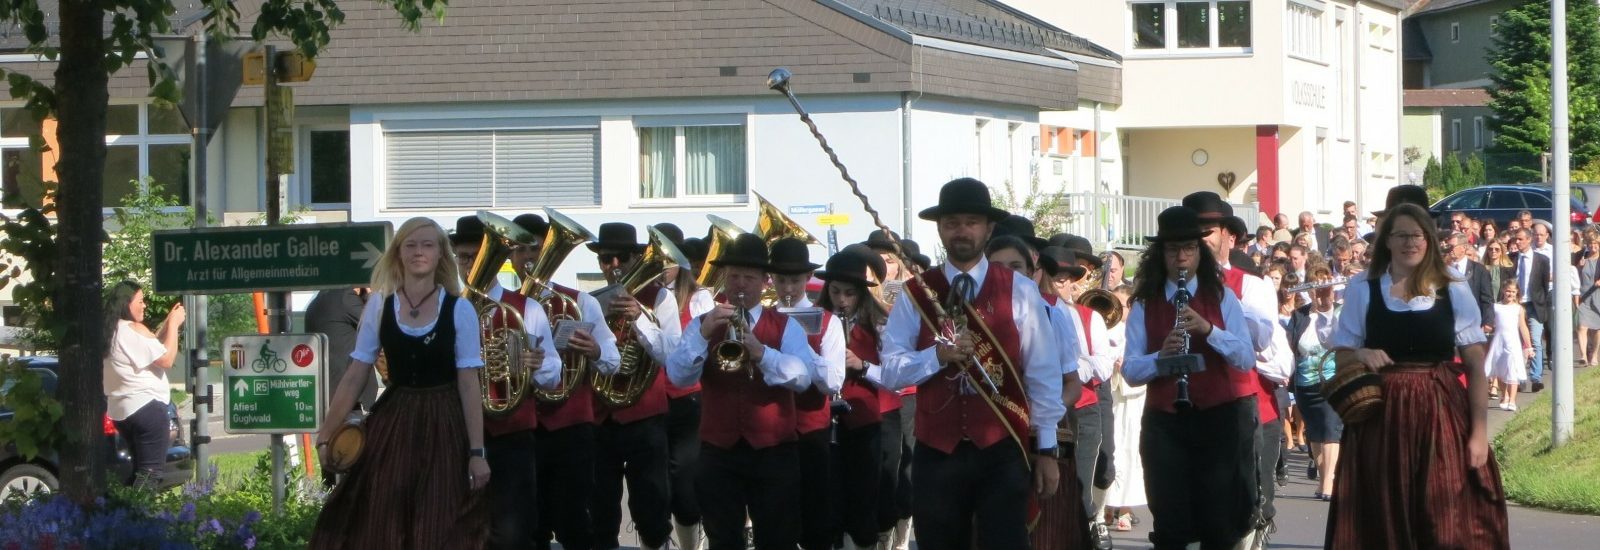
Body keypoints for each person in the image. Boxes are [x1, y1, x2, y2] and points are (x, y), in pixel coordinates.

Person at [870, 178, 1065, 549]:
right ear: (940, 229)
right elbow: (891, 371)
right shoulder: (916, 293)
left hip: (1002, 447)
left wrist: (1047, 450)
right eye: (952, 223)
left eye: (971, 222)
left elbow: (1043, 374)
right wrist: (936, 356)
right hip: (936, 452)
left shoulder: (1019, 289)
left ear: (989, 229)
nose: (962, 231)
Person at [1325, 203, 1508, 549]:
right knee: (1383, 514)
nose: (1410, 242)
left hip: (1441, 410)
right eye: (1401, 235)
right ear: (1387, 241)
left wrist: (1479, 433)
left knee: (1446, 515)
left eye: (1417, 235)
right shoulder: (1363, 287)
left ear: (1429, 240)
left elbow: (1475, 365)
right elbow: (1342, 355)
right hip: (1382, 417)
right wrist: (1362, 354)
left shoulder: (1452, 286)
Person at [310, 217, 489, 548]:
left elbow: (468, 383)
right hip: (395, 419)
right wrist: (326, 435)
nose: (419, 252)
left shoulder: (459, 309)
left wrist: (477, 452)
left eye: (427, 245)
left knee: (439, 522)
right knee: (381, 518)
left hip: (444, 423)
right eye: (411, 245)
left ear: (440, 254)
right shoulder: (380, 305)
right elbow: (355, 374)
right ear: (398, 253)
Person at [667, 233, 816, 549]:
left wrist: (762, 353)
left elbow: (803, 378)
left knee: (777, 538)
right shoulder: (702, 324)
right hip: (718, 450)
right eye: (734, 276)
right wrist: (702, 335)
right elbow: (678, 376)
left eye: (749, 277)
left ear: (764, 281)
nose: (740, 285)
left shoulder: (785, 325)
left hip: (773, 450)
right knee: (723, 538)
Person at [1122, 206, 1258, 550]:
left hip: (1217, 420)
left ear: (1200, 252)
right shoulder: (1145, 304)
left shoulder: (1222, 296)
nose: (1181, 258)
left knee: (1219, 523)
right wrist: (1160, 357)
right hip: (1165, 424)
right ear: (1161, 254)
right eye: (1172, 250)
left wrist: (1210, 330)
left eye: (1189, 248)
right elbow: (1131, 371)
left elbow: (1245, 358)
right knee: (1170, 523)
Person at [510, 213, 623, 550]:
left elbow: (613, 360)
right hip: (523, 426)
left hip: (572, 427)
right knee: (530, 526)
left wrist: (595, 349)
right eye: (519, 249)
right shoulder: (504, 307)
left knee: (575, 523)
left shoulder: (581, 302)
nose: (527, 257)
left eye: (535, 248)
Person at [451, 215, 564, 550]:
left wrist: (536, 365)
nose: (470, 266)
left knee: (513, 534)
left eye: (477, 257)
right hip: (457, 434)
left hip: (511, 435)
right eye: (464, 257)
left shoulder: (527, 308)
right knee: (461, 530)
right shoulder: (445, 309)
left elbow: (554, 374)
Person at [990, 237, 1089, 550]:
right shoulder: (973, 315)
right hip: (993, 437)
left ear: (1033, 272)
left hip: (1042, 433)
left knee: (1049, 530)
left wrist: (1040, 413)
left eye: (1016, 267)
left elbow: (1072, 384)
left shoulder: (1052, 313)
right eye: (998, 267)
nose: (1008, 275)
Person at [589, 223, 683, 550]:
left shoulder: (660, 298)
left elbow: (671, 354)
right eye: (606, 258)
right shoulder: (590, 301)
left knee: (652, 508)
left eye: (623, 257)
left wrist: (638, 317)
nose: (614, 265)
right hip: (600, 416)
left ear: (636, 258)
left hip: (645, 417)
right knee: (599, 511)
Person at [766, 237, 846, 550]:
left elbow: (833, 382)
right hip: (769, 432)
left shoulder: (827, 321)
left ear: (808, 278)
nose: (788, 288)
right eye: (781, 280)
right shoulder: (761, 318)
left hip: (810, 431)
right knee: (775, 520)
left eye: (795, 280)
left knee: (815, 519)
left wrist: (800, 347)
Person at [816, 250, 895, 550]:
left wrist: (862, 365)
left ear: (861, 293)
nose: (841, 300)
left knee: (863, 499)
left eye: (849, 293)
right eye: (835, 292)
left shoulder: (879, 323)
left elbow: (895, 377)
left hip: (864, 422)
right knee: (829, 499)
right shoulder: (817, 319)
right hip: (823, 420)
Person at [102, 281, 184, 488]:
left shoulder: (112, 331)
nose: (144, 305)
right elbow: (166, 359)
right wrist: (174, 326)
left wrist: (167, 323)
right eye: (140, 301)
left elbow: (151, 346)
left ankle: (129, 506)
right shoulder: (132, 329)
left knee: (139, 472)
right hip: (148, 409)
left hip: (123, 412)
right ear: (127, 303)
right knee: (150, 474)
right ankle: (141, 507)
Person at [667, 235, 715, 549]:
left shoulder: (699, 298)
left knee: (686, 485)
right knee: (658, 489)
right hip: (652, 401)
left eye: (667, 261)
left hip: (689, 399)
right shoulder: (643, 295)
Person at [1287, 267, 1342, 501]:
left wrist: (1327, 307)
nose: (1318, 290)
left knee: (1330, 429)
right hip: (1305, 383)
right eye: (1314, 285)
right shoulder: (1299, 315)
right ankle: (1322, 480)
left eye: (1323, 285)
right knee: (1316, 433)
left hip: (1332, 381)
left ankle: (1329, 480)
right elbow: (1290, 346)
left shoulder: (1339, 311)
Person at [1508, 228, 1550, 393]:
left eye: (1520, 239)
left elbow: (1544, 285)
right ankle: (1520, 378)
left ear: (1529, 239)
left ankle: (1536, 378)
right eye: (1516, 239)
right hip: (1516, 305)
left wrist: (1541, 302)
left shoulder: (1542, 260)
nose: (1517, 242)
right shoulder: (1511, 258)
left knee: (1535, 341)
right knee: (1517, 342)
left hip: (1534, 305)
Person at [1484, 280, 1532, 411]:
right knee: (1500, 370)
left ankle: (1512, 400)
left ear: (1517, 293)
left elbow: (1523, 327)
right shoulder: (1496, 307)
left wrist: (1528, 345)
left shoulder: (1518, 309)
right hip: (1499, 341)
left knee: (1513, 370)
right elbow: (1491, 324)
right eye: (1508, 291)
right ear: (1503, 291)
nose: (1510, 294)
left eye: (1513, 291)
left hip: (1513, 342)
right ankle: (1504, 395)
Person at [1578, 235, 1600, 366]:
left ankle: (1595, 354)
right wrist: (1579, 267)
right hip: (1583, 297)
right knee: (1582, 326)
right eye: (1590, 243)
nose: (1593, 246)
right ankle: (1583, 356)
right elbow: (1575, 277)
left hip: (1597, 296)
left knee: (1596, 329)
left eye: (1596, 243)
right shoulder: (1583, 258)